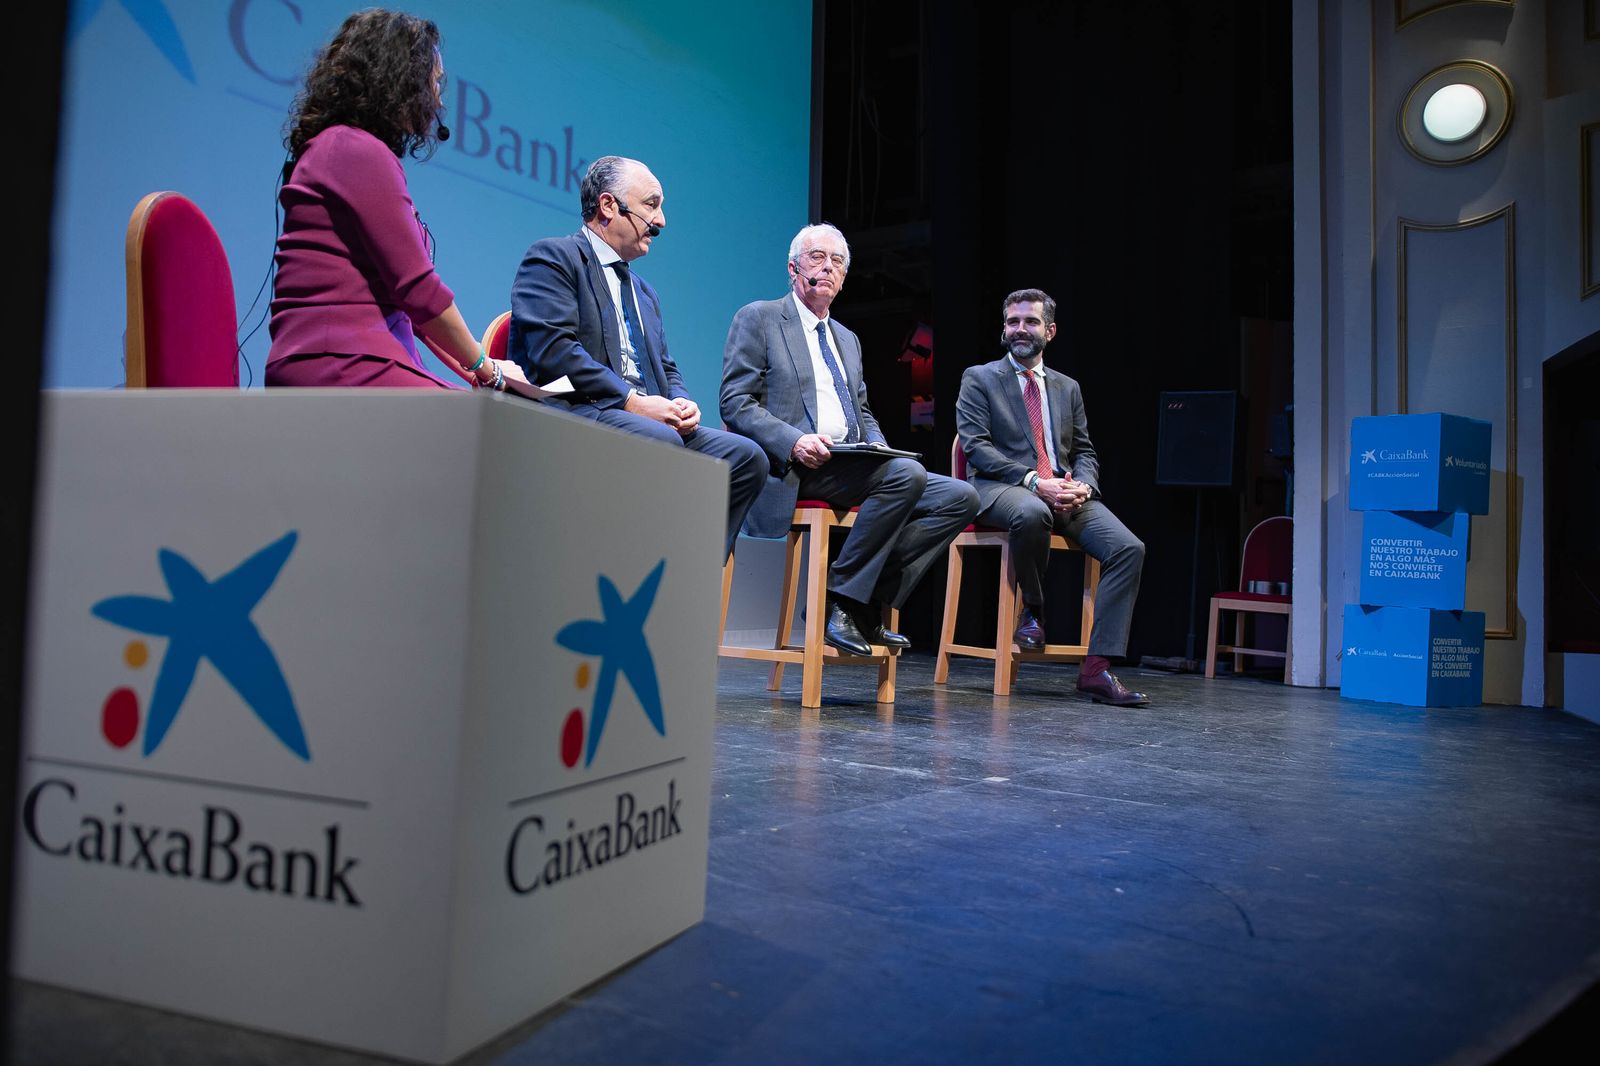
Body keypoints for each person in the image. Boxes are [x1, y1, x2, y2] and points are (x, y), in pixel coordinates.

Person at [721, 223, 979, 656]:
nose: (827, 268)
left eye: (836, 262)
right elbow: (735, 402)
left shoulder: (848, 339)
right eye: (817, 258)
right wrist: (793, 441)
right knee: (905, 476)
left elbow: (861, 410)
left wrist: (876, 444)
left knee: (962, 498)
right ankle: (845, 603)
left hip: (853, 462)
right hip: (795, 467)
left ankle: (849, 601)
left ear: (843, 279)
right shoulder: (760, 318)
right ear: (793, 268)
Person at [509, 156, 765, 560]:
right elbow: (554, 352)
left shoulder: (644, 292)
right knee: (659, 439)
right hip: (577, 411)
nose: (661, 221)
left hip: (641, 418)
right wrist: (632, 402)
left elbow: (665, 366)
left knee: (746, 457)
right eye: (651, 204)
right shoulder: (554, 258)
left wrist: (680, 401)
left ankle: (684, 577)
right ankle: (642, 572)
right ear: (609, 206)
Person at [267, 9, 525, 391]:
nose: (437, 98)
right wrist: (489, 368)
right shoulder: (355, 150)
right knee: (493, 437)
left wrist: (477, 372)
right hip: (338, 361)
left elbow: (416, 314)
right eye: (433, 82)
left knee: (492, 424)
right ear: (399, 79)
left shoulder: (344, 149)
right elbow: (419, 291)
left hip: (358, 358)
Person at [955, 289, 1149, 706]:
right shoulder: (980, 377)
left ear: (1051, 330)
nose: (1019, 329)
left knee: (1128, 548)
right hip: (998, 488)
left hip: (1063, 492)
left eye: (1030, 322)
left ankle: (1096, 670)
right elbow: (976, 447)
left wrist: (1083, 485)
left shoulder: (1067, 388)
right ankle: (1034, 610)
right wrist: (1032, 480)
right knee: (1030, 513)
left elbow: (1084, 450)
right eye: (1012, 322)